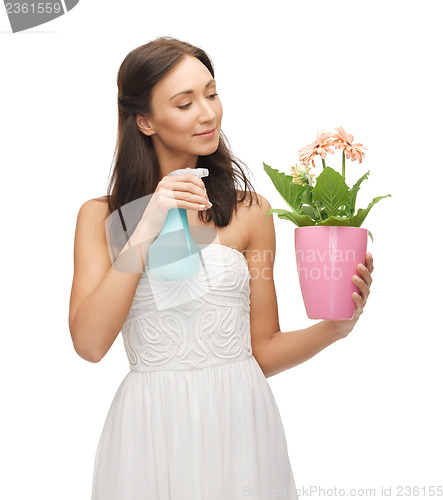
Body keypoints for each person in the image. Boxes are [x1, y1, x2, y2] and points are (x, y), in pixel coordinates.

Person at [69, 36, 374, 500]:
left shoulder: (250, 211)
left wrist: (335, 327)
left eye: (211, 93)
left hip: (241, 425)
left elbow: (263, 350)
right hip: (150, 430)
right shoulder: (101, 217)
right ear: (145, 121)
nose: (208, 113)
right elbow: (90, 344)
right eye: (185, 103)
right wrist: (149, 222)